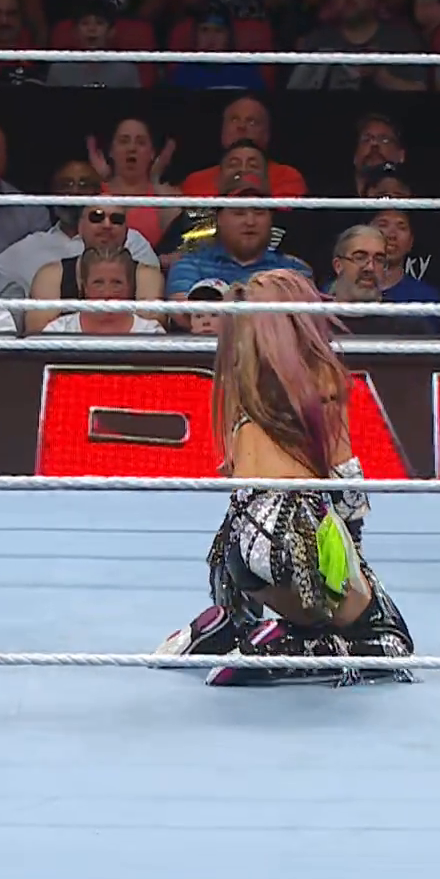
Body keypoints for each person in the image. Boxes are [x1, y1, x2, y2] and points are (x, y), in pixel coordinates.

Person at [155, 269, 414, 687]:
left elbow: (234, 472)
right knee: (389, 641)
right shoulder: (320, 375)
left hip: (240, 539)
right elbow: (344, 473)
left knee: (317, 595)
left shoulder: (239, 376)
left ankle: (230, 624)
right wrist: (353, 557)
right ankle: (282, 646)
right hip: (294, 535)